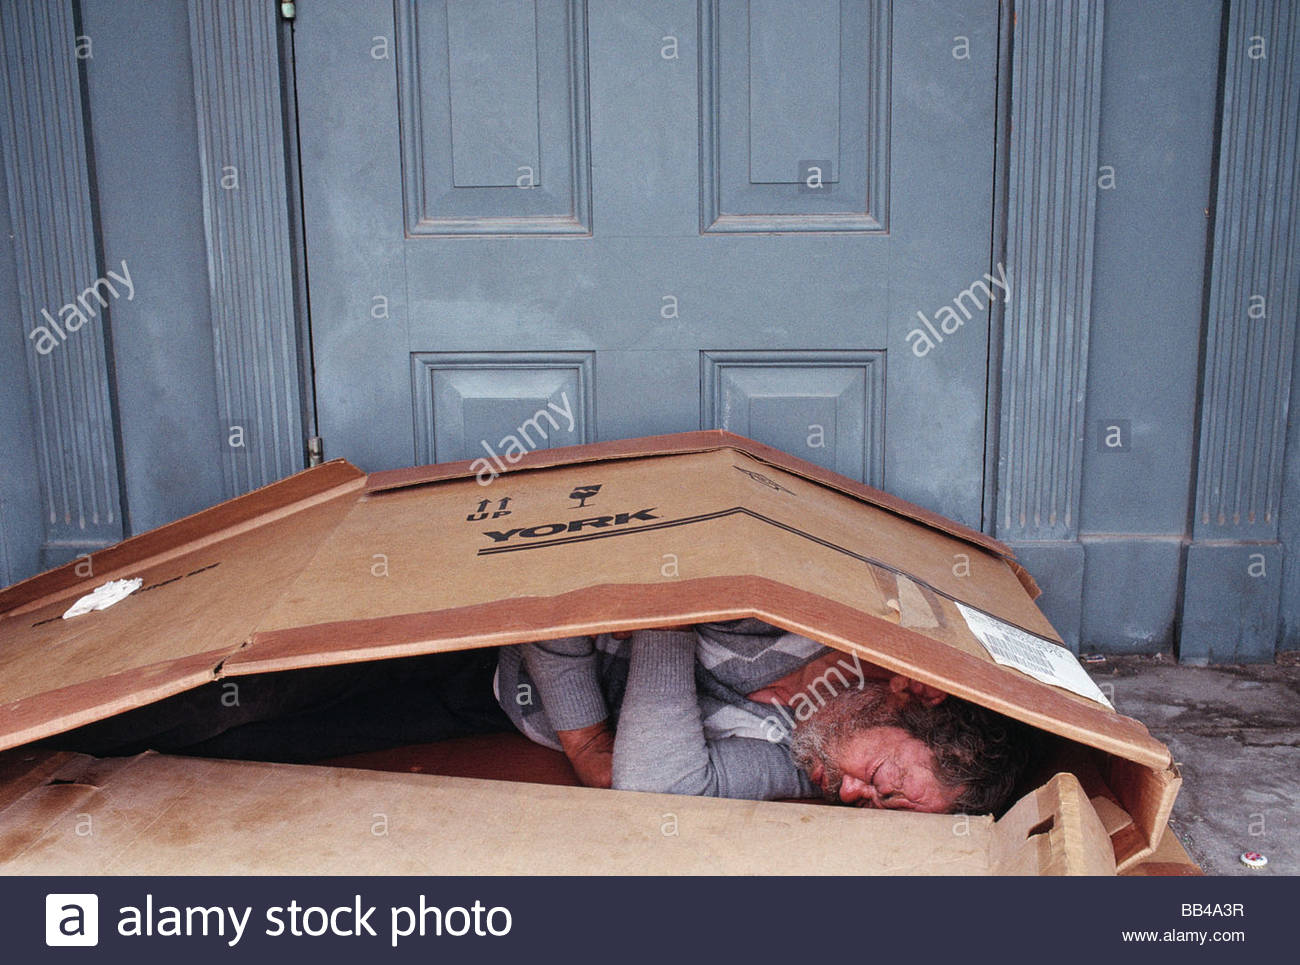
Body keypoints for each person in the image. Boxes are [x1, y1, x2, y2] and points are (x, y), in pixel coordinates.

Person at [495, 619, 1031, 814]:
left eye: (876, 805)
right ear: (912, 696)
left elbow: (657, 787)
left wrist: (669, 625)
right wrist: (667, 611)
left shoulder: (808, 761)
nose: (847, 795)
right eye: (882, 781)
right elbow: (563, 598)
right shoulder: (787, 628)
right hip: (488, 637)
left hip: (507, 709)